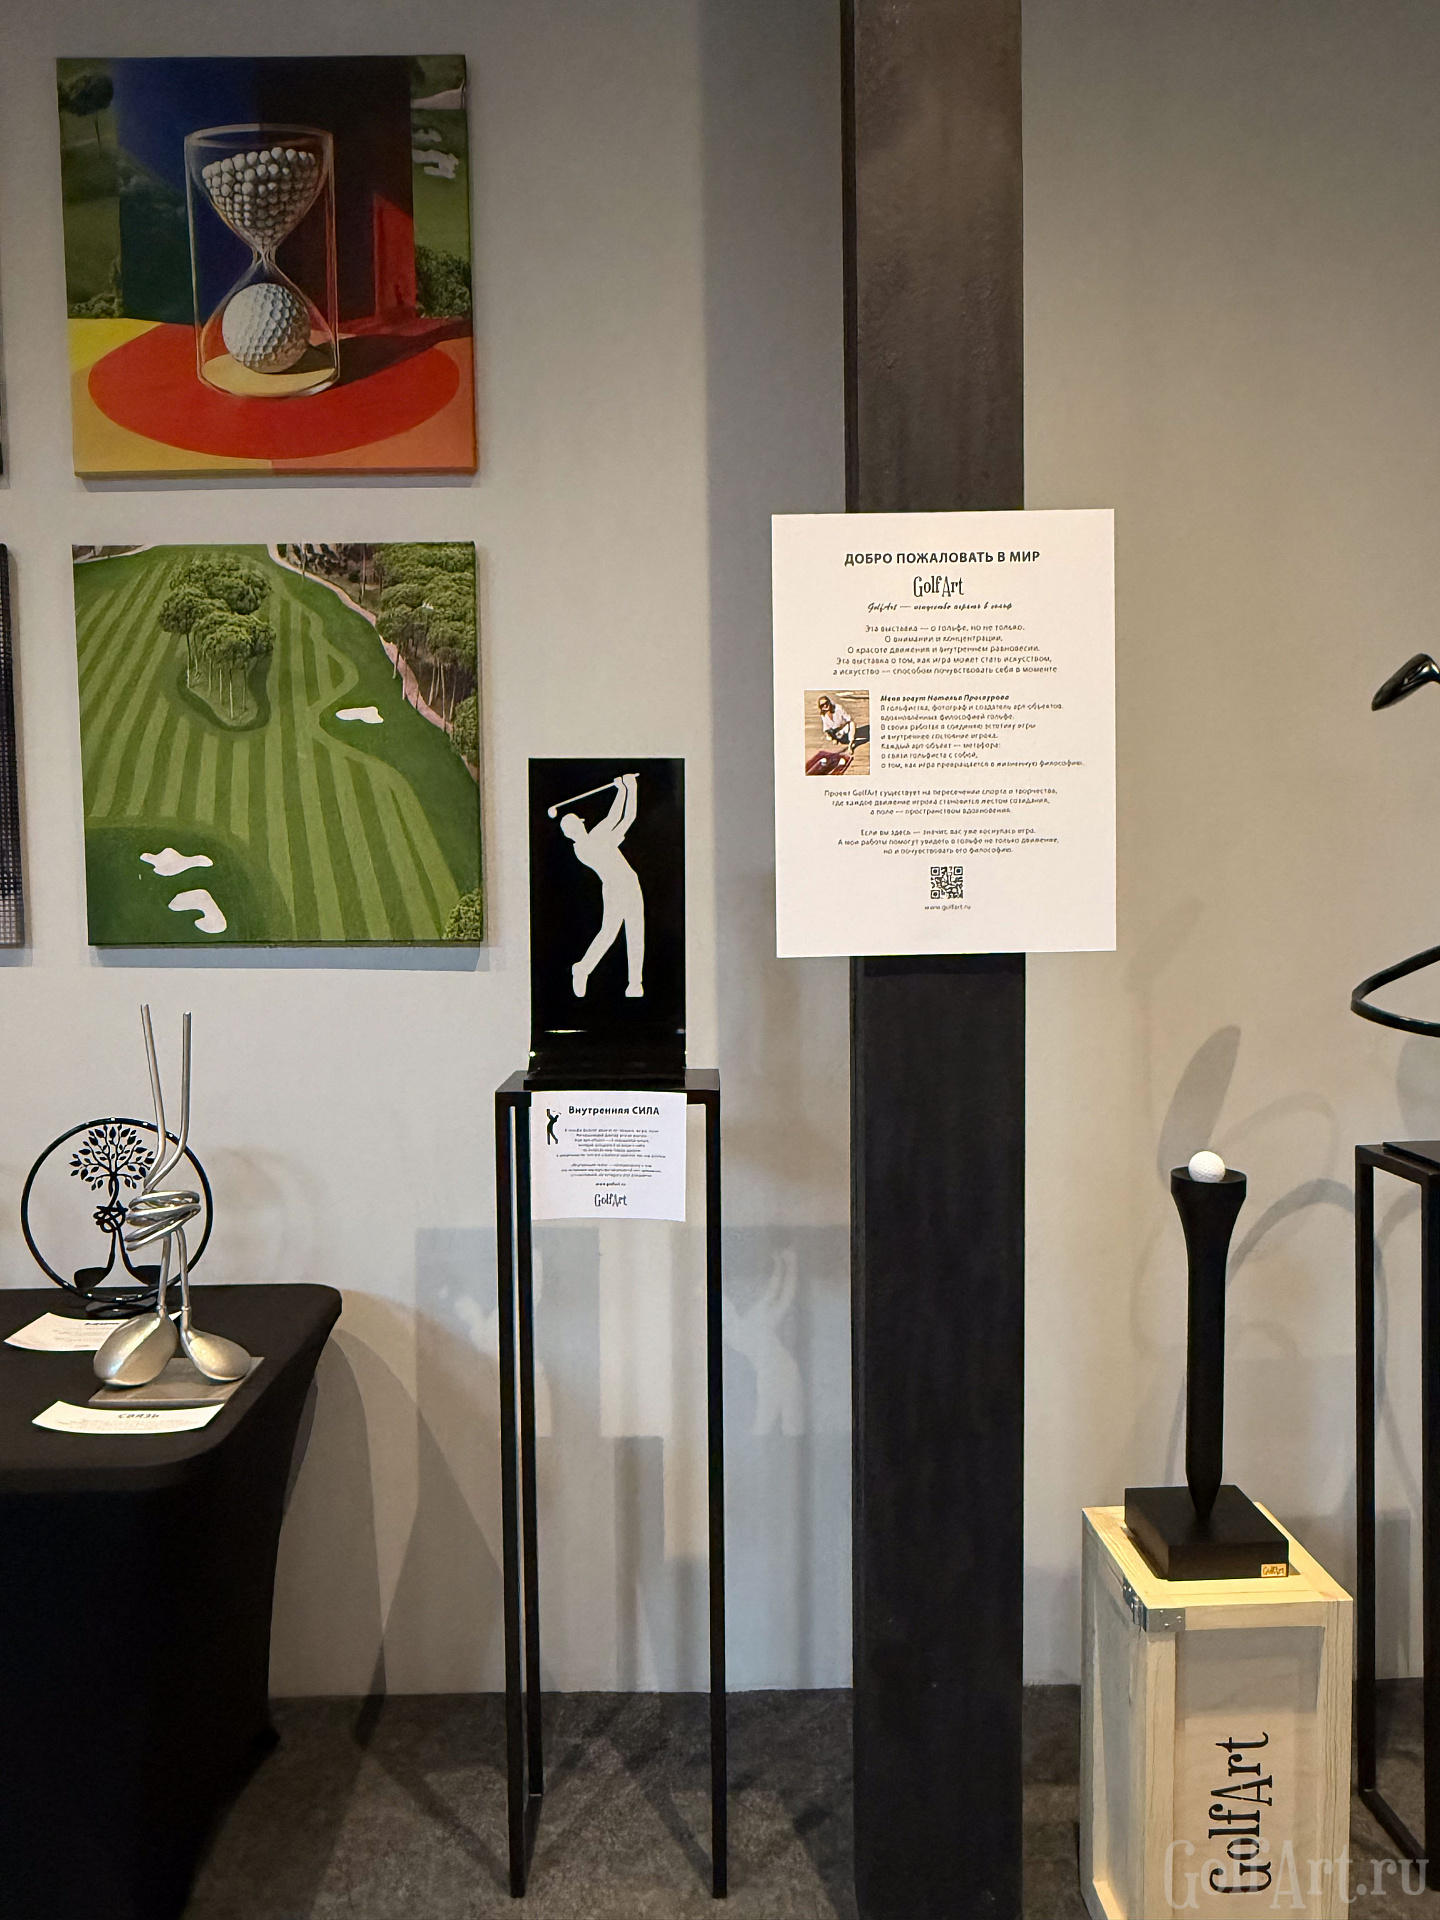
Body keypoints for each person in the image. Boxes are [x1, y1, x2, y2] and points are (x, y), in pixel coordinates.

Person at [560, 772, 645, 998]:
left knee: (635, 931)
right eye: (575, 828)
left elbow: (623, 818)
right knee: (609, 934)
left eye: (577, 825)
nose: (579, 828)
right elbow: (619, 817)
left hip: (629, 883)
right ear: (573, 833)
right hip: (616, 889)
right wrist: (626, 788)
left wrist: (625, 789)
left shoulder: (595, 839)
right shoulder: (587, 845)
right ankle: (582, 969)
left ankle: (634, 984)